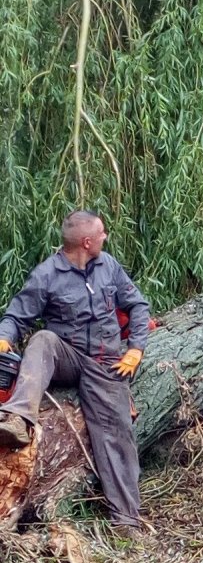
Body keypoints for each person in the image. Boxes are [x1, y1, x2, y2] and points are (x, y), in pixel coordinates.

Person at [0, 210, 150, 534]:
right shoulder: (47, 274)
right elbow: (17, 315)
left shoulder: (108, 266)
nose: (105, 237)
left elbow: (138, 306)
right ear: (86, 241)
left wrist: (136, 348)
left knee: (118, 436)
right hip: (67, 355)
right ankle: (19, 419)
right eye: (101, 233)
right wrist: (3, 336)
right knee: (42, 339)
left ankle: (125, 522)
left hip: (105, 363)